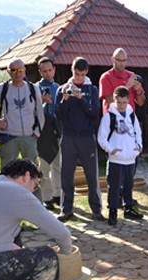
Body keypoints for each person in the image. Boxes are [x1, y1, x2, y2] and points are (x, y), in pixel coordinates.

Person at [55, 57, 103, 222]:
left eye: (82, 75)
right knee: (66, 176)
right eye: (76, 74)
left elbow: (94, 113)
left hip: (87, 137)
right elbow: (58, 114)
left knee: (92, 175)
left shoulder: (92, 90)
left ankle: (96, 210)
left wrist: (81, 98)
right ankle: (66, 210)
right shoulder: (62, 89)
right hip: (68, 137)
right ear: (72, 70)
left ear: (86, 73)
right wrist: (65, 100)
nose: (79, 78)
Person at [0, 58, 45, 169]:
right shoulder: (2, 89)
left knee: (33, 174)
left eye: (20, 70)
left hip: (29, 137)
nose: (17, 73)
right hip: (9, 138)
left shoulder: (33, 89)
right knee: (8, 174)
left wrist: (37, 133)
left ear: (25, 71)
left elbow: (40, 113)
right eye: (13, 70)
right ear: (8, 72)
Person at [97, 86, 144, 226]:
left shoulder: (131, 115)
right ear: (114, 100)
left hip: (130, 158)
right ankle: (112, 210)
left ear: (128, 101)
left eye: (124, 102)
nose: (122, 106)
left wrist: (138, 148)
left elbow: (138, 133)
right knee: (114, 186)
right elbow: (102, 138)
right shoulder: (108, 117)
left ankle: (129, 208)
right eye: (119, 103)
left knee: (129, 185)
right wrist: (111, 150)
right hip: (116, 159)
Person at [36, 58, 62, 210]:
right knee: (44, 166)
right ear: (40, 72)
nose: (47, 73)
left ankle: (57, 194)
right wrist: (44, 102)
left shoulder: (58, 88)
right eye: (44, 71)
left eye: (49, 70)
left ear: (54, 70)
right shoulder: (35, 88)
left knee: (58, 164)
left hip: (56, 128)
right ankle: (46, 197)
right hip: (43, 131)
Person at [99, 48, 145, 115]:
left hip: (129, 119)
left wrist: (138, 90)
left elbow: (141, 102)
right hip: (112, 119)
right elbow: (109, 101)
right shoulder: (106, 77)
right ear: (112, 59)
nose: (122, 63)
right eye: (119, 60)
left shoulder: (131, 76)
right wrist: (127, 87)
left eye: (124, 60)